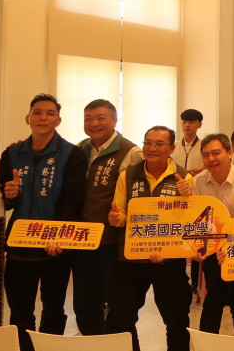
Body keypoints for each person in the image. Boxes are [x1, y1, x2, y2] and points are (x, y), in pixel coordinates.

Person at [0, 94, 87, 351]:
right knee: (20, 310)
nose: (43, 118)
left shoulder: (72, 154)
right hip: (19, 243)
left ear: (58, 120)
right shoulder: (11, 154)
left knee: (54, 308)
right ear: (27, 118)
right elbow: (6, 199)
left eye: (50, 113)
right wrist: (10, 194)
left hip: (54, 247)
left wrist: (58, 236)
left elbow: (73, 201)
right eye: (37, 112)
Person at [106, 125, 193, 351]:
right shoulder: (128, 175)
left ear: (171, 148)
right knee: (120, 315)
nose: (152, 148)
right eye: (148, 143)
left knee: (177, 319)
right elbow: (122, 214)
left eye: (159, 144)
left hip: (169, 260)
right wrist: (117, 218)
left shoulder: (183, 178)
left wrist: (188, 197)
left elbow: (188, 221)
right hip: (132, 258)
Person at [73, 99, 143, 336]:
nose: (94, 123)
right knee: (84, 303)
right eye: (88, 119)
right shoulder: (80, 148)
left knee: (117, 303)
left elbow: (141, 193)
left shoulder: (131, 152)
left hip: (113, 241)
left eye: (100, 118)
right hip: (82, 240)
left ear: (114, 121)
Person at [186, 133, 234, 335]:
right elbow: (198, 221)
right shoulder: (198, 182)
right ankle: (205, 344)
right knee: (214, 298)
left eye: (216, 153)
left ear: (229, 153)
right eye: (206, 155)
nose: (211, 159)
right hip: (213, 248)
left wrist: (230, 248)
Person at [171, 108, 203, 173]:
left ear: (199, 125)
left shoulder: (204, 146)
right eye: (184, 122)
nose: (187, 125)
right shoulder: (173, 146)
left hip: (198, 179)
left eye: (191, 122)